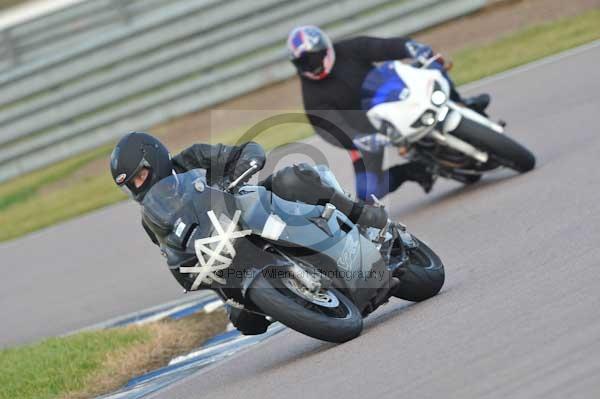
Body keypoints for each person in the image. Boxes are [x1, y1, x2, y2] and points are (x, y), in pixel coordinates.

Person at [110, 132, 391, 334]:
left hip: (249, 206)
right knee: (244, 321)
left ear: (154, 157)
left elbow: (242, 152)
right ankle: (297, 294)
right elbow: (175, 251)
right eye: (131, 184)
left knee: (293, 179)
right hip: (227, 250)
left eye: (140, 175)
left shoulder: (192, 158)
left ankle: (361, 214)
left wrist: (246, 166)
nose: (138, 185)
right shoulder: (151, 219)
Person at [287, 25, 490, 201]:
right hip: (368, 131)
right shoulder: (311, 94)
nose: (310, 65)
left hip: (392, 96)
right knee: (368, 192)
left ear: (325, 49)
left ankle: (462, 103)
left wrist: (413, 48)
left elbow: (384, 47)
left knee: (430, 64)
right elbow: (327, 127)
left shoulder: (350, 48)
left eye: (312, 58)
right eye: (303, 62)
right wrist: (357, 139)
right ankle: (415, 170)